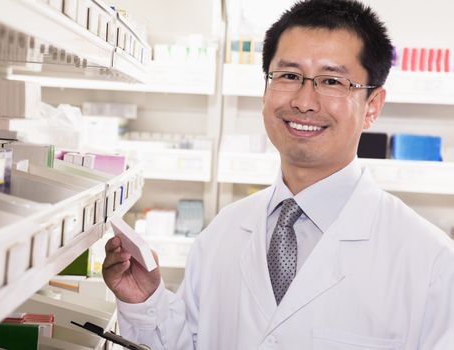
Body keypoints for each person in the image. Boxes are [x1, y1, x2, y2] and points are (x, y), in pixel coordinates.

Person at [102, 0, 454, 348]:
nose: (303, 101)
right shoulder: (222, 234)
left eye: (331, 81)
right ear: (265, 89)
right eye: (288, 76)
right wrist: (145, 304)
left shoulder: (431, 263)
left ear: (372, 106)